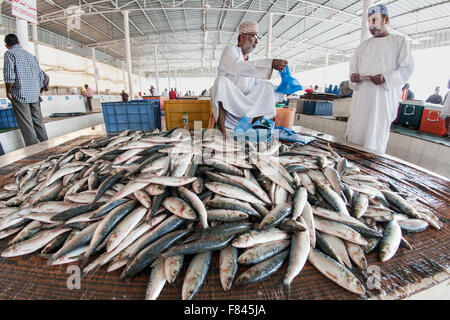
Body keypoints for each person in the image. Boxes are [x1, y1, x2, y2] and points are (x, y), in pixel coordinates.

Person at [346, 4, 414, 154]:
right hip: (362, 100)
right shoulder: (362, 46)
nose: (371, 26)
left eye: (375, 20)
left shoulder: (400, 42)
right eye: (369, 22)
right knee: (355, 137)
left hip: (382, 101)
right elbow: (352, 70)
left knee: (374, 138)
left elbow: (407, 69)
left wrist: (385, 78)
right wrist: (353, 77)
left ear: (386, 20)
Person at [210, 21, 288, 134]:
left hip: (247, 105)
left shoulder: (252, 59)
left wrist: (281, 89)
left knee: (267, 86)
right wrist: (270, 63)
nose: (256, 41)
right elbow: (239, 67)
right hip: (229, 103)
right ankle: (223, 133)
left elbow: (259, 82)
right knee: (220, 82)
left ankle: (253, 129)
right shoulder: (230, 50)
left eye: (258, 38)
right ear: (243, 36)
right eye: (254, 36)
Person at [3, 33, 48, 147]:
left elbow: (9, 77)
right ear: (18, 42)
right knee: (38, 122)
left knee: (27, 124)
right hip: (34, 94)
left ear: (6, 45)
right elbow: (41, 76)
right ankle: (47, 146)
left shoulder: (10, 54)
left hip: (20, 94)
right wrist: (38, 89)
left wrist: (8, 91)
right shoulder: (31, 56)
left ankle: (34, 151)